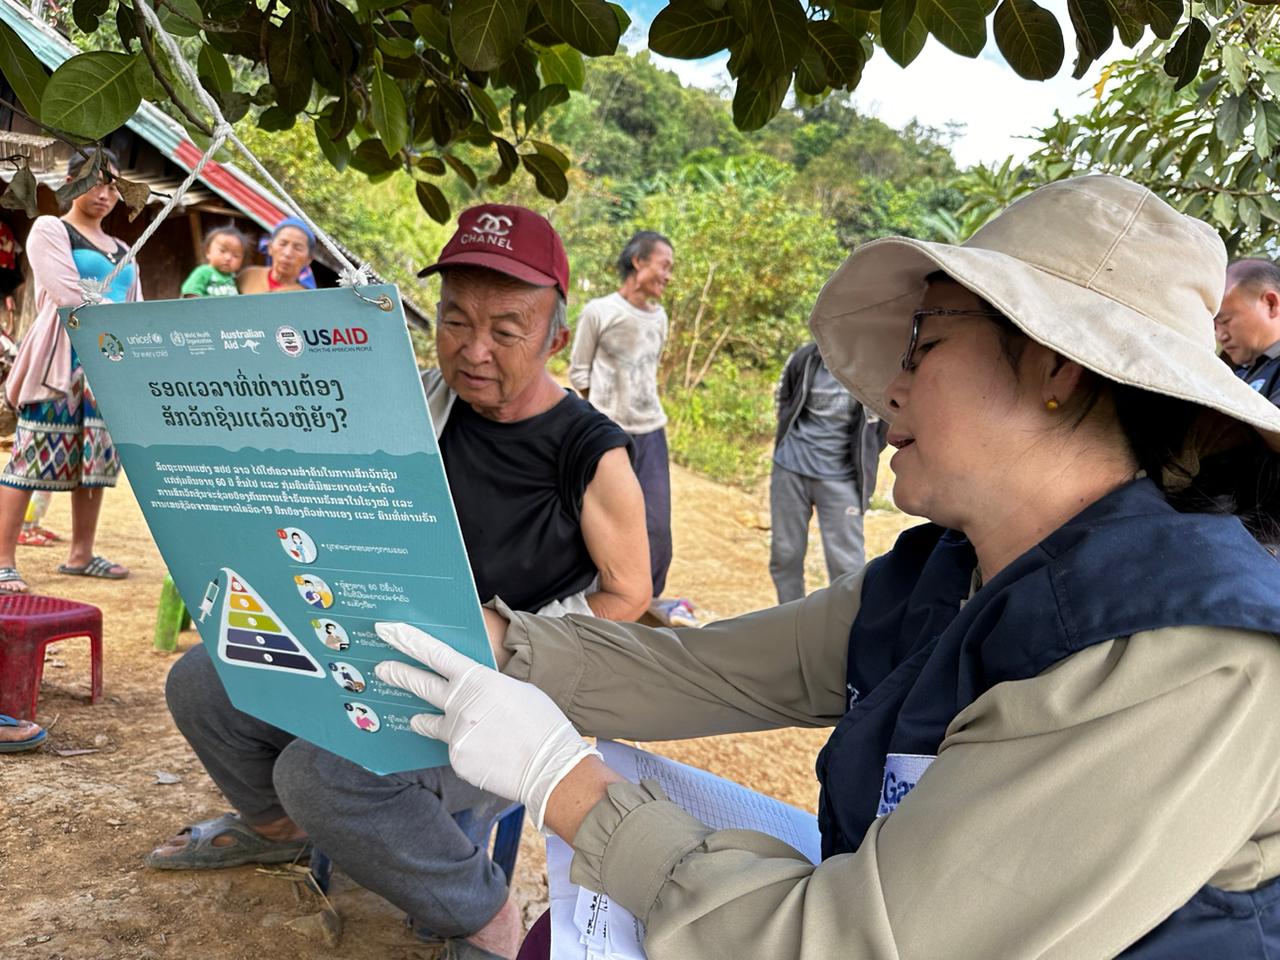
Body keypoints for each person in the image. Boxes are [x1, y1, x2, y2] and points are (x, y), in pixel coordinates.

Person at [377, 175, 1280, 959]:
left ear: (1054, 367)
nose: (891, 389)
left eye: (924, 342)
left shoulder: (1187, 659)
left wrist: (566, 786)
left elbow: (852, 944)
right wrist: (490, 639)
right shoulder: (947, 576)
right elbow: (703, 669)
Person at [147, 204, 651, 960]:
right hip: (369, 650)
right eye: (455, 321)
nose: (474, 350)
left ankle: (484, 915)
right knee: (203, 683)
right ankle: (278, 831)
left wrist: (511, 642)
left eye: (506, 330)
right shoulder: (414, 403)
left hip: (499, 693)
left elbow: (629, 594)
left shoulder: (589, 452)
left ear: (554, 336)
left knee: (322, 775)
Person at [0, 152, 138, 593]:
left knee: (93, 464)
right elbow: (66, 294)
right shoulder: (50, 230)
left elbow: (138, 312)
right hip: (59, 362)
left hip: (108, 371)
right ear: (70, 180)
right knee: (29, 457)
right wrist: (117, 317)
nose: (104, 193)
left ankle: (81, 554)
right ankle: (3, 561)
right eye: (94, 182)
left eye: (113, 186)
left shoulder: (124, 251)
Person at [569, 231, 675, 600]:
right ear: (638, 262)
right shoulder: (599, 311)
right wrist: (599, 419)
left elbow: (650, 370)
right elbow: (579, 372)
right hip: (606, 436)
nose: (668, 276)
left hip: (651, 434)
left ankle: (646, 605)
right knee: (598, 527)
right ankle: (595, 603)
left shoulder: (660, 318)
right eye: (664, 266)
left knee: (657, 530)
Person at [769, 340, 887, 603]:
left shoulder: (873, 369)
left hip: (842, 479)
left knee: (846, 565)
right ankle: (790, 616)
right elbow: (784, 399)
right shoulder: (805, 358)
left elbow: (881, 427)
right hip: (790, 469)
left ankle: (845, 625)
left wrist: (864, 458)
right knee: (785, 554)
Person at [1215, 257, 1280, 404]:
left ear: (1271, 304)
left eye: (1225, 321)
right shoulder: (1240, 372)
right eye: (1215, 327)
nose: (1221, 336)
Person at [238, 217, 313, 294]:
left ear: (308, 259)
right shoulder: (248, 276)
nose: (287, 253)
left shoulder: (306, 296)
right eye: (282, 244)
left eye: (298, 248)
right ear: (270, 247)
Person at [180, 226, 245, 298]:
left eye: (236, 255)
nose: (228, 258)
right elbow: (191, 294)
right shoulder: (204, 272)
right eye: (222, 251)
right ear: (208, 252)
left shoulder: (233, 279)